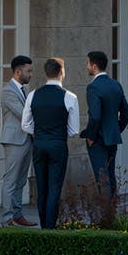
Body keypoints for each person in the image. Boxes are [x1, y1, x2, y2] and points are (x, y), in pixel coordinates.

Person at [27, 59, 81, 231]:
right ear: (62, 72)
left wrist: (39, 134)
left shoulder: (33, 95)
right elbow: (73, 130)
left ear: (46, 73)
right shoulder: (70, 97)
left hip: (39, 144)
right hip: (58, 144)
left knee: (42, 187)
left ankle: (44, 226)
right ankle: (50, 228)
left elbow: (25, 125)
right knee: (54, 188)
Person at [82, 52, 128, 205]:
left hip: (98, 139)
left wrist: (91, 136)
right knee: (110, 175)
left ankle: (105, 216)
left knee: (102, 178)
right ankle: (112, 212)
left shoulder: (93, 87)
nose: (87, 66)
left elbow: (95, 116)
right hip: (112, 136)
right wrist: (116, 128)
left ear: (94, 66)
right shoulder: (116, 84)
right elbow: (127, 112)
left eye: (88, 63)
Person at [0, 54, 38, 225]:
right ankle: (7, 218)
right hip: (14, 140)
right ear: (18, 71)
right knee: (11, 180)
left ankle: (17, 214)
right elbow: (23, 114)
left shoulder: (26, 90)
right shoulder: (7, 91)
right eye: (28, 71)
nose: (31, 74)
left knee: (21, 180)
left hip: (27, 139)